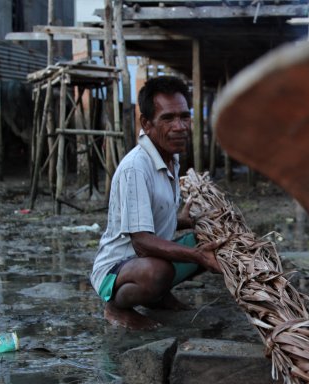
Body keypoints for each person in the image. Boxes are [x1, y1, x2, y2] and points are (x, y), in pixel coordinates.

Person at [90, 76, 221, 330]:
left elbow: (157, 218)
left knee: (208, 240)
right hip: (117, 269)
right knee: (158, 272)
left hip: (146, 257)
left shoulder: (170, 158)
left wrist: (185, 220)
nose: (180, 126)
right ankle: (115, 308)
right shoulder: (136, 167)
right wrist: (196, 256)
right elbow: (141, 240)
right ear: (146, 124)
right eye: (168, 118)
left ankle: (159, 298)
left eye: (184, 116)